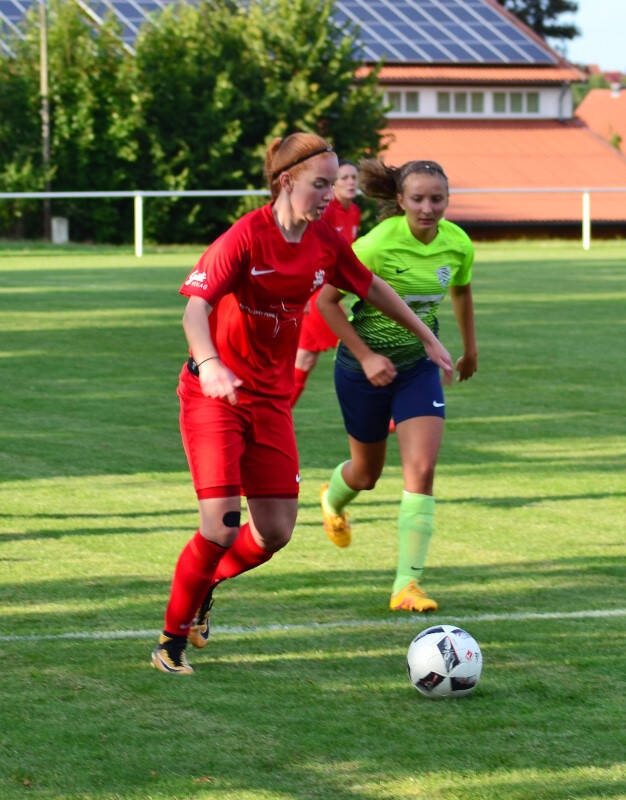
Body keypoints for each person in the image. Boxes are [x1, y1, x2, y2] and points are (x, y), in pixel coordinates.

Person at [151, 135, 455, 675]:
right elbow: (194, 310)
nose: (329, 195)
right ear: (286, 181)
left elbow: (372, 287)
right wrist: (211, 363)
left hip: (270, 401)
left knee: (275, 533)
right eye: (320, 184)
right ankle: (170, 643)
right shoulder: (246, 236)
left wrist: (427, 338)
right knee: (221, 526)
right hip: (214, 396)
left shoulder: (323, 241)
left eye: (334, 183)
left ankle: (204, 586)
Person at [317, 158, 478, 613]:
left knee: (421, 470)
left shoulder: (457, 243)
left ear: (448, 200)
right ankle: (332, 500)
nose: (428, 208)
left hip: (418, 368)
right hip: (361, 369)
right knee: (366, 475)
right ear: (401, 200)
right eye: (418, 199)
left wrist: (470, 350)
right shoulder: (375, 245)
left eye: (437, 199)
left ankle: (407, 584)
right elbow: (326, 303)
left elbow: (461, 291)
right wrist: (367, 357)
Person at [290, 159, 361, 406]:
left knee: (305, 359)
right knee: (360, 348)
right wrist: (300, 293)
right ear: (333, 184)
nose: (350, 182)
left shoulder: (354, 211)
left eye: (354, 177)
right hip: (316, 293)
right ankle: (387, 419)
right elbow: (303, 249)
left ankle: (270, 419)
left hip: (328, 292)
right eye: (344, 178)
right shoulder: (325, 211)